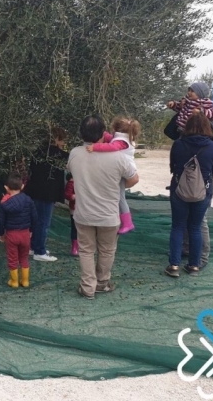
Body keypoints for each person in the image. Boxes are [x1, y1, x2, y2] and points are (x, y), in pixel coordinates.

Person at [67, 115, 139, 299]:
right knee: (107, 250)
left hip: (83, 213)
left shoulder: (74, 153)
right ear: (103, 133)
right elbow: (133, 179)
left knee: (86, 250)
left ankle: (87, 287)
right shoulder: (118, 157)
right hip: (109, 214)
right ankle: (102, 283)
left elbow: (71, 171)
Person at [165, 113, 213, 277]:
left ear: (187, 126)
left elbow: (173, 166)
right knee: (195, 227)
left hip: (179, 190)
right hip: (203, 192)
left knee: (177, 226)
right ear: (207, 127)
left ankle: (174, 265)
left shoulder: (178, 144)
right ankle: (194, 266)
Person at [86, 116, 141, 234]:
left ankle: (128, 223)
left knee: (120, 198)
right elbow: (110, 138)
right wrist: (102, 132)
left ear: (115, 129)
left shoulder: (121, 142)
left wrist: (95, 147)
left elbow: (112, 146)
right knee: (118, 196)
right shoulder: (123, 138)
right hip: (122, 170)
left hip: (123, 172)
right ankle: (125, 221)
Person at [23, 127, 68, 262]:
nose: (63, 143)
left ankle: (33, 247)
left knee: (36, 221)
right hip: (47, 193)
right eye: (62, 140)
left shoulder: (37, 152)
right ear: (56, 139)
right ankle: (40, 251)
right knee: (43, 222)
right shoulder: (58, 154)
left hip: (34, 191)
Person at [0, 172, 38, 288]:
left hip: (11, 234)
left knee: (12, 258)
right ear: (22, 187)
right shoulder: (28, 200)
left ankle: (14, 281)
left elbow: (0, 221)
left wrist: (0, 233)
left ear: (6, 188)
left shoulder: (4, 204)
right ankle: (25, 281)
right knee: (24, 257)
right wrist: (31, 230)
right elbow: (34, 217)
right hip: (25, 233)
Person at [64, 173, 78, 256]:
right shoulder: (71, 182)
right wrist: (74, 196)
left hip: (85, 209)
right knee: (75, 228)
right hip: (75, 209)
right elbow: (67, 194)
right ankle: (75, 247)